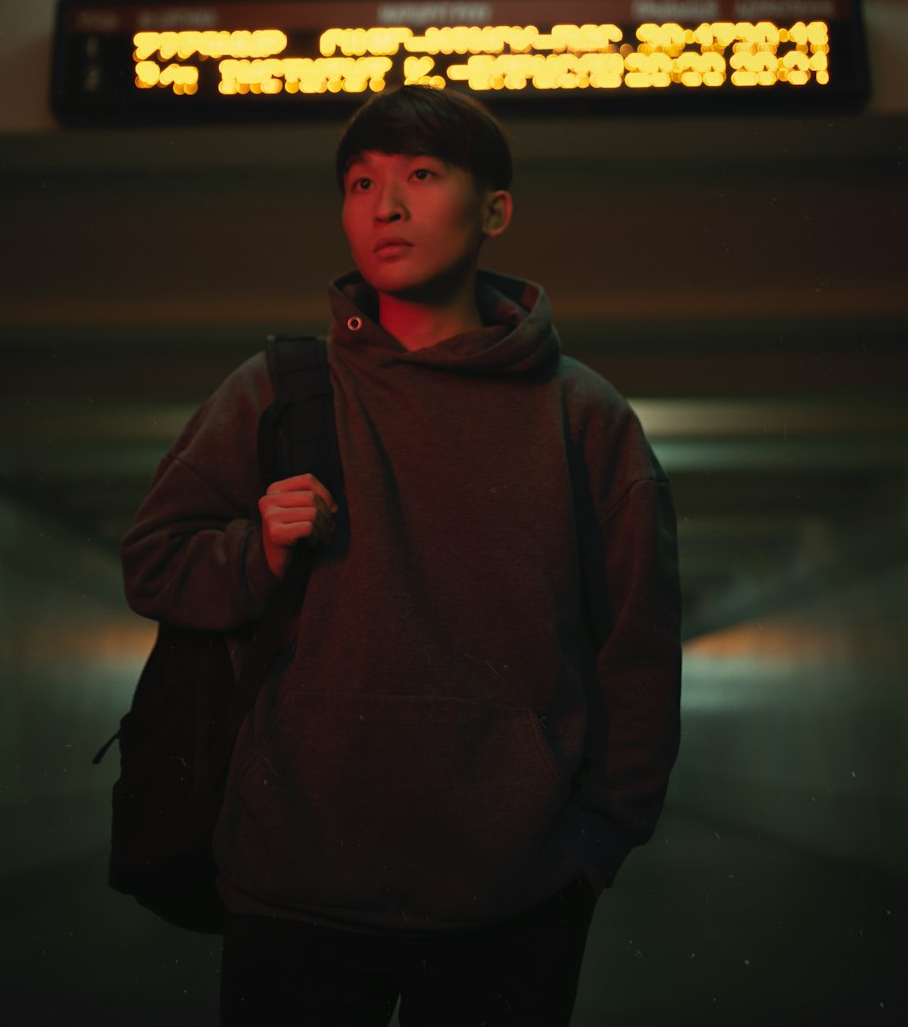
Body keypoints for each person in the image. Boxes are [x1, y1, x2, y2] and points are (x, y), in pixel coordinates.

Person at [120, 84, 681, 1027]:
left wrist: (594, 847)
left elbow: (639, 646)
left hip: (516, 900)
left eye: (421, 175)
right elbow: (154, 562)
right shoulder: (278, 390)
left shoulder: (584, 418)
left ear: (494, 210)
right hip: (291, 887)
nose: (385, 205)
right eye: (360, 182)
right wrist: (256, 549)